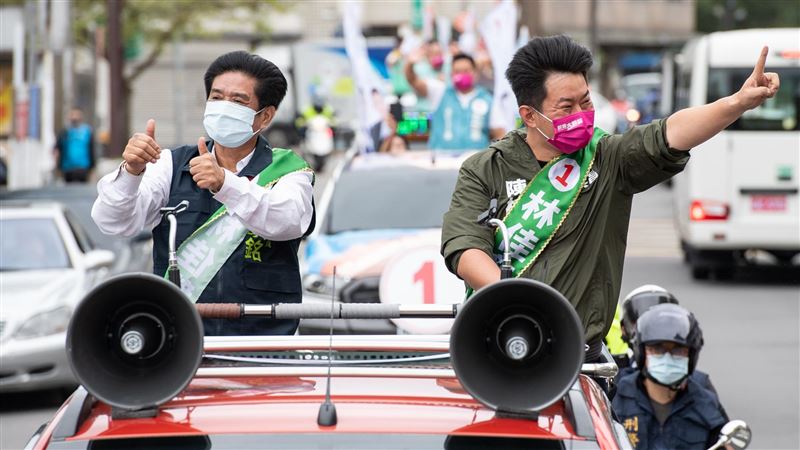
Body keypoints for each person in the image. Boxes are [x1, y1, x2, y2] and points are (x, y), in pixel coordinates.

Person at [440, 35, 779, 362]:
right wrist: (522, 302)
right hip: (499, 344)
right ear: (530, 115)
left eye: (585, 101)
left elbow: (669, 134)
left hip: (578, 355)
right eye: (566, 107)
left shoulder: (607, 157)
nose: (581, 113)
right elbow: (466, 248)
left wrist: (737, 103)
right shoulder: (485, 168)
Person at [92, 51, 315, 336]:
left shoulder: (289, 170)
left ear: (265, 117)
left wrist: (225, 184)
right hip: (181, 344)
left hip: (265, 345)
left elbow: (287, 221)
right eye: (216, 97)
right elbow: (113, 222)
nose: (224, 107)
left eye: (238, 101)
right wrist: (132, 171)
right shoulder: (171, 164)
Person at [612, 304, 729, 449]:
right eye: (657, 349)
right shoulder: (614, 399)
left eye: (678, 350)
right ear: (641, 353)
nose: (667, 357)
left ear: (691, 356)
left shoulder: (706, 405)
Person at [405, 52, 505, 150]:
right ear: (451, 74)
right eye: (457, 71)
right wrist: (410, 64)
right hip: (441, 160)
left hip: (475, 162)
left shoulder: (487, 99)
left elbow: (499, 133)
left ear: (475, 72)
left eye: (466, 70)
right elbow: (413, 81)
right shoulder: (440, 92)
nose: (462, 74)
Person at [54, 108, 95, 183]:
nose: (75, 118)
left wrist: (92, 167)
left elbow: (92, 149)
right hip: (67, 168)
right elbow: (57, 149)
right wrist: (58, 167)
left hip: (83, 168)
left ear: (81, 118)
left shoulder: (87, 131)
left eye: (77, 116)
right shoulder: (65, 131)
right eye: (73, 115)